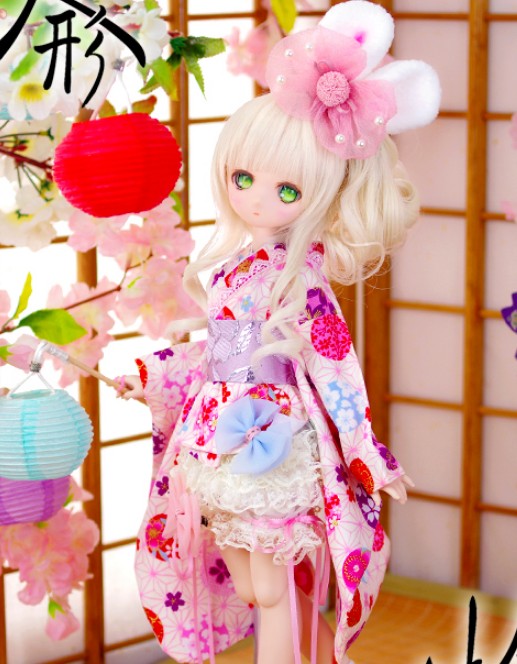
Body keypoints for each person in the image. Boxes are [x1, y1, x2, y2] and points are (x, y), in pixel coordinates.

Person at [117, 3, 441, 663]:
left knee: (269, 586)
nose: (257, 198)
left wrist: (365, 451)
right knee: (249, 580)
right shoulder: (235, 269)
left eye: (286, 190)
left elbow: (335, 366)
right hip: (218, 430)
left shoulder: (302, 278)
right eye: (243, 179)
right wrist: (148, 374)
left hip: (272, 437)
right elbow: (222, 353)